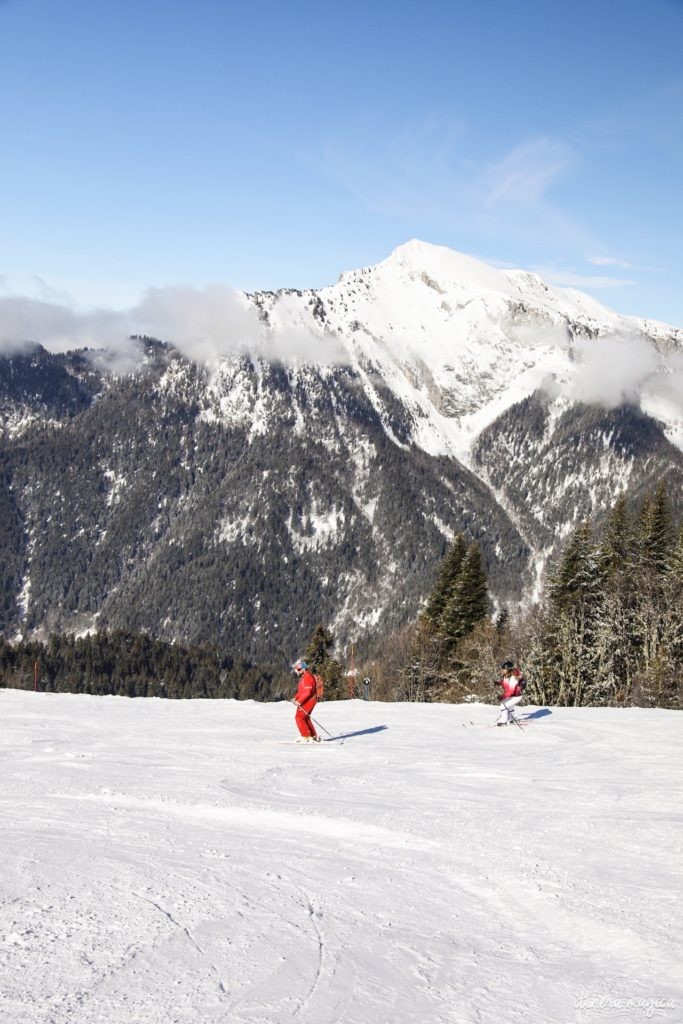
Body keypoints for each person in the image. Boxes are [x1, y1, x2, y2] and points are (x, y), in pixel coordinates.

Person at [291, 659, 320, 742]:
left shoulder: (308, 677)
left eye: (299, 669)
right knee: (305, 718)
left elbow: (308, 692)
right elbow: (302, 691)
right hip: (309, 699)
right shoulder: (304, 677)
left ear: (304, 669)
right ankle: (312, 735)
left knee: (299, 717)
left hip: (309, 700)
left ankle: (306, 736)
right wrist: (296, 698)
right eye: (296, 669)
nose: (297, 671)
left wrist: (299, 701)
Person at [495, 661, 526, 726]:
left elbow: (510, 691)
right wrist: (499, 683)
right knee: (509, 707)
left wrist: (502, 697)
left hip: (516, 696)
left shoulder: (513, 678)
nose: (502, 670)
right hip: (513, 696)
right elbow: (506, 684)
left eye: (504, 669)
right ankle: (510, 719)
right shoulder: (507, 675)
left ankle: (504, 721)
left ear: (508, 669)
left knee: (503, 705)